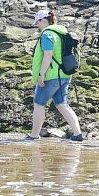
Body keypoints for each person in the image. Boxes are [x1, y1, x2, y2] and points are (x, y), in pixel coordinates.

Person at [26, 10, 84, 142]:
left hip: (51, 76)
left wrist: (41, 75)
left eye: (37, 22)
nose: (37, 26)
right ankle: (77, 133)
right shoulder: (62, 31)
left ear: (43, 21)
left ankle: (34, 134)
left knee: (39, 104)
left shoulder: (47, 34)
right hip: (65, 74)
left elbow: (48, 55)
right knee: (62, 104)